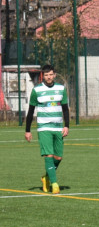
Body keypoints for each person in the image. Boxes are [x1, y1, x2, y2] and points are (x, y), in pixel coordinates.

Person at [24, 64, 69, 195]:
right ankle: (54, 184)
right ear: (43, 76)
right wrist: (28, 130)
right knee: (48, 155)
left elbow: (65, 108)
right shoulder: (37, 90)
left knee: (58, 157)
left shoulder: (61, 89)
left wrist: (67, 126)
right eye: (46, 75)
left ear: (54, 75)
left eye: (51, 74)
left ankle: (47, 177)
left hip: (58, 127)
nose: (49, 77)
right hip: (44, 127)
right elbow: (31, 111)